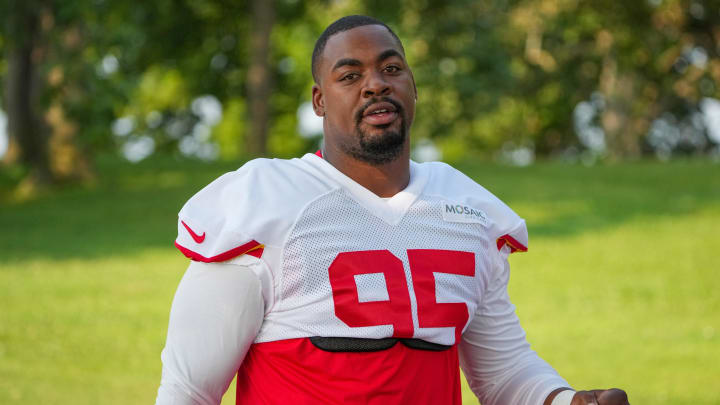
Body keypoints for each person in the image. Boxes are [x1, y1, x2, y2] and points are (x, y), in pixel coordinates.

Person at [155, 15, 629, 405]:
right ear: (320, 101)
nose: (375, 85)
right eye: (350, 75)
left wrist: (567, 401)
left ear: (415, 88)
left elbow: (503, 373)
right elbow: (189, 390)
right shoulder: (266, 201)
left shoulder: (464, 210)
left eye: (392, 69)